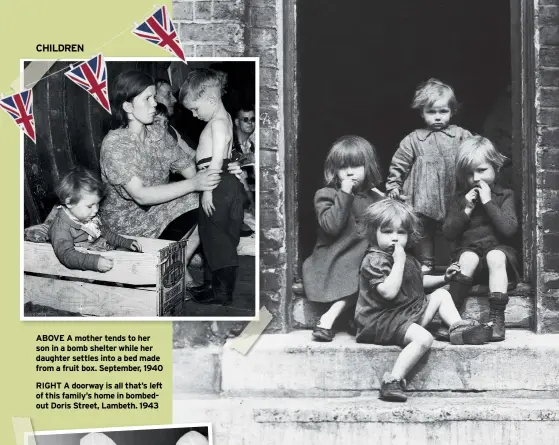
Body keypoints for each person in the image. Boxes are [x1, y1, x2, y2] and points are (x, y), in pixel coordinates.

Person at [99, 70, 239, 286]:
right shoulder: (115, 145)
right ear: (127, 107)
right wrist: (194, 184)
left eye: (154, 97)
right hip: (125, 224)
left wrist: (222, 172)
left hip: (157, 211)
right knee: (198, 196)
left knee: (208, 202)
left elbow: (190, 169)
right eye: (147, 98)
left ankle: (178, 260)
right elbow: (142, 196)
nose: (154, 104)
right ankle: (156, 258)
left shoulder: (157, 134)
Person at [355, 199, 491, 402]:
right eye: (387, 231)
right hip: (380, 321)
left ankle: (458, 328)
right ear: (373, 232)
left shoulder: (406, 258)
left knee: (442, 294)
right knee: (424, 338)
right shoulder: (375, 260)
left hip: (404, 315)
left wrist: (444, 278)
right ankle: (392, 380)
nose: (395, 238)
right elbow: (388, 292)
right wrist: (399, 262)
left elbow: (420, 280)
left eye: (401, 233)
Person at [386, 79, 473, 273]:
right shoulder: (414, 139)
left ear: (453, 111)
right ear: (422, 113)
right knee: (423, 230)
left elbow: (476, 155)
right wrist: (393, 185)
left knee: (454, 228)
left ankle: (455, 261)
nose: (437, 117)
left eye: (443, 111)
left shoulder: (461, 135)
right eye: (431, 112)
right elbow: (399, 163)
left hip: (451, 192)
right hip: (422, 195)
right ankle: (426, 263)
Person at [302, 135, 384, 342]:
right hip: (333, 257)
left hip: (361, 258)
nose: (349, 172)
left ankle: (352, 318)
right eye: (343, 167)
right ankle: (328, 318)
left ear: (368, 168)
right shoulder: (326, 194)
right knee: (362, 274)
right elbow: (332, 226)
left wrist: (386, 199)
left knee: (373, 271)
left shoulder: (374, 198)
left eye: (356, 166)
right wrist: (344, 194)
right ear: (334, 171)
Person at [443, 136, 519, 342]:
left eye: (482, 170)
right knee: (468, 257)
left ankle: (496, 320)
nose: (475, 178)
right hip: (472, 263)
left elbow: (509, 229)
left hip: (498, 261)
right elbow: (448, 232)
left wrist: (487, 202)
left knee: (495, 256)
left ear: (496, 168)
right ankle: (452, 316)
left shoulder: (505, 195)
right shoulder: (461, 199)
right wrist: (466, 209)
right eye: (469, 173)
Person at [179, 68, 245, 306]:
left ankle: (222, 293)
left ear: (211, 99)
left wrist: (207, 190)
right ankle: (211, 286)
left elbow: (217, 159)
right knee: (211, 236)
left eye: (195, 109)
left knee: (217, 238)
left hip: (216, 183)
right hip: (222, 181)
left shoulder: (217, 123)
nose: (195, 115)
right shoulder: (223, 119)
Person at [49, 166, 141, 272]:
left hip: (100, 252)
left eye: (97, 204)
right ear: (69, 203)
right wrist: (94, 262)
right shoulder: (61, 227)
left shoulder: (88, 216)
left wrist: (125, 242)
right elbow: (67, 255)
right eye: (90, 206)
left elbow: (105, 233)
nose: (96, 210)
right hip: (81, 271)